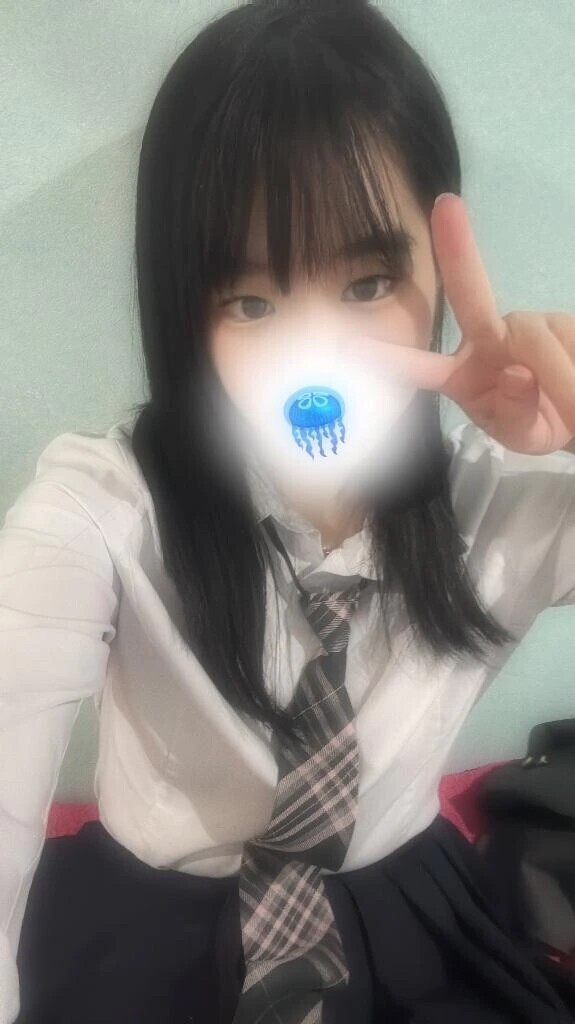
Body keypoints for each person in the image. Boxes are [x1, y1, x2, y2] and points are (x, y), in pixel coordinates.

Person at [2, 1, 575, 1021]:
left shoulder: (502, 497)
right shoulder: (102, 506)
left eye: (366, 281)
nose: (317, 355)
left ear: (435, 272)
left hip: (406, 912)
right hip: (151, 926)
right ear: (184, 307)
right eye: (253, 302)